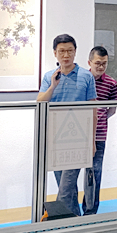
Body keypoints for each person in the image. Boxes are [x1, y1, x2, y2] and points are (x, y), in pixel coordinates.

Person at [37, 34, 97, 216]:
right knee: (68, 189)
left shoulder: (86, 76)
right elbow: (40, 102)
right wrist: (52, 86)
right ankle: (75, 223)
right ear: (55, 53)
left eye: (70, 51)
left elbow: (93, 110)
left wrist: (92, 141)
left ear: (75, 52)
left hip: (78, 139)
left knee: (65, 189)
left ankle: (54, 221)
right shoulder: (49, 77)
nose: (66, 55)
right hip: (55, 139)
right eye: (62, 51)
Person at [82, 46, 117, 215]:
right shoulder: (82, 80)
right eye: (98, 63)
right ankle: (71, 212)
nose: (101, 66)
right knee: (71, 175)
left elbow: (112, 109)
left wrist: (100, 120)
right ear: (89, 62)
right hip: (79, 135)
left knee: (94, 174)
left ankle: (90, 212)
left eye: (104, 63)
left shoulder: (111, 83)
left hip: (99, 136)